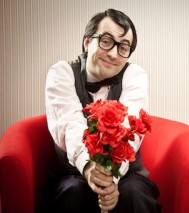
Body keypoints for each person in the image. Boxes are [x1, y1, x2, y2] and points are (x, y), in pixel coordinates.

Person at [43, 9, 161, 213]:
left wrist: (109, 178)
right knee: (73, 191)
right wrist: (89, 168)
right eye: (106, 41)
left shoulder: (134, 74)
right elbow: (70, 124)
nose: (114, 54)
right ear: (87, 41)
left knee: (134, 193)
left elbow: (128, 129)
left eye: (123, 47)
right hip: (72, 174)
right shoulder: (61, 72)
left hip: (125, 175)